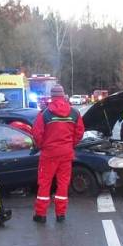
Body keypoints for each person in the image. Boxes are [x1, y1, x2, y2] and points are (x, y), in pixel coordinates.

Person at [32, 84, 85, 223]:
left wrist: (42, 146)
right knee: (63, 184)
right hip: (66, 154)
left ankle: (41, 214)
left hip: (49, 154)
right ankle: (61, 214)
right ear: (63, 95)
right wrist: (70, 145)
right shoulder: (74, 113)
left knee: (44, 183)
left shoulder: (45, 113)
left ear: (52, 96)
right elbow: (79, 133)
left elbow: (37, 134)